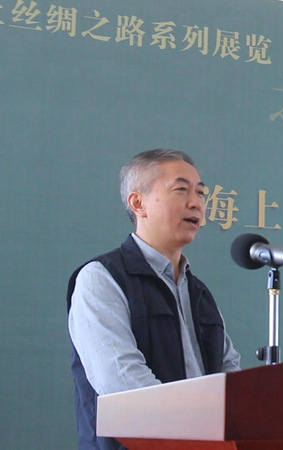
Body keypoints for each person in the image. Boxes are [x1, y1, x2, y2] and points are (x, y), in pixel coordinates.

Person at [67, 149, 242, 450]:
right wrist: (200, 432)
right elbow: (124, 382)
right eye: (181, 190)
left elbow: (230, 375)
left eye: (201, 193)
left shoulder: (198, 291)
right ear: (138, 203)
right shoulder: (101, 278)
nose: (196, 203)